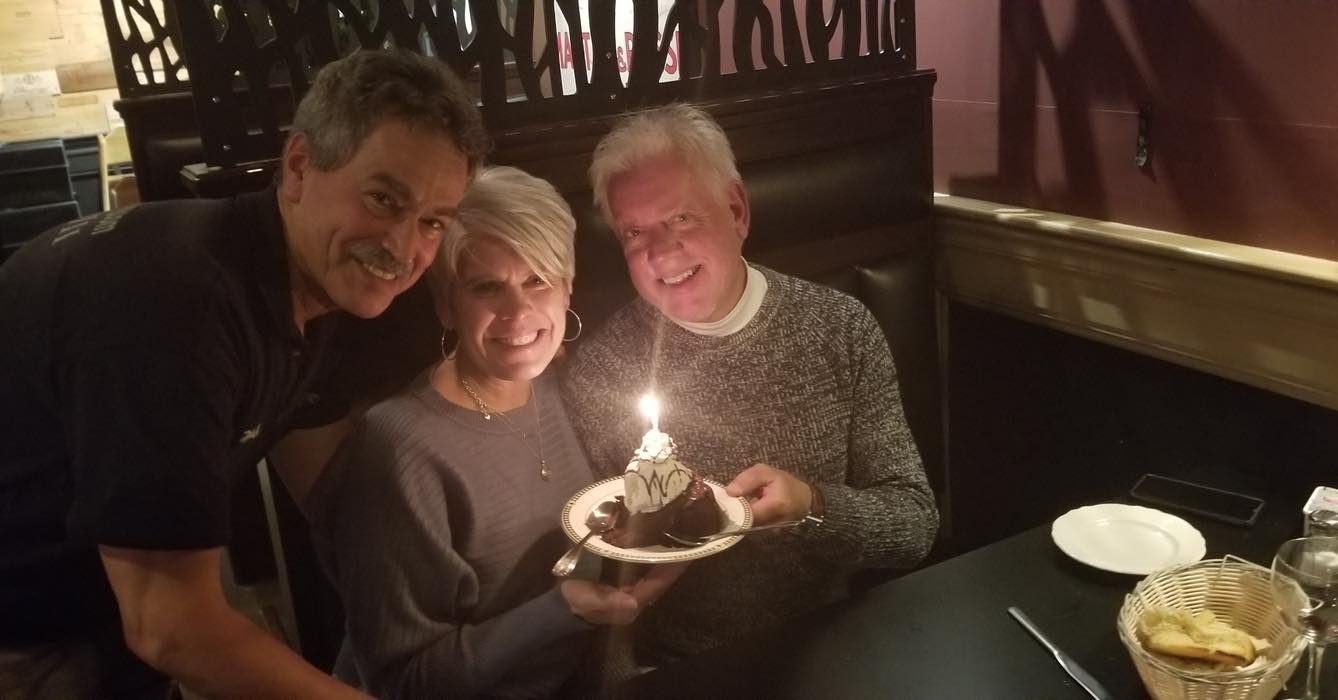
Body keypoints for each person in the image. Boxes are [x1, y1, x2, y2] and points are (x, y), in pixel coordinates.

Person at [0, 49, 489, 699]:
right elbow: (170, 629)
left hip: (100, 607)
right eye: (382, 198)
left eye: (431, 221)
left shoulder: (315, 285)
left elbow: (333, 499)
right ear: (298, 166)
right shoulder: (179, 311)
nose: (403, 249)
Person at [562, 103, 941, 663]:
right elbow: (595, 563)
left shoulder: (840, 329)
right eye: (635, 231)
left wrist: (812, 507)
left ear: (737, 209)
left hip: (830, 645)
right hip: (679, 665)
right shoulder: (600, 371)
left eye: (683, 218)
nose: (661, 252)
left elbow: (914, 525)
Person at [307, 166, 674, 699]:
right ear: (444, 305)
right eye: (487, 287)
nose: (519, 312)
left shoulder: (563, 383)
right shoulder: (401, 447)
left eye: (537, 280)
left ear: (567, 287)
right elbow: (404, 682)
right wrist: (562, 611)